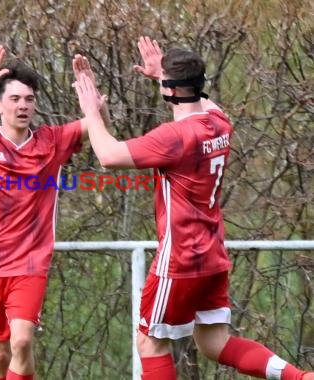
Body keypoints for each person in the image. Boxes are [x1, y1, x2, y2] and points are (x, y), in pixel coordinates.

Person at [73, 35, 313, 380]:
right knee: (214, 343)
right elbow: (201, 99)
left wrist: (92, 111)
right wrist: (162, 75)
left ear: (169, 89)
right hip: (213, 254)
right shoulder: (220, 123)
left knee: (151, 344)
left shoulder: (175, 136)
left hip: (180, 258)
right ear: (199, 85)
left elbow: (109, 156)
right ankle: (301, 377)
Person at [0, 45, 107, 380]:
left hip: (30, 262)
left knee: (22, 342)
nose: (23, 106)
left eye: (29, 99)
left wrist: (94, 100)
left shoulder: (52, 141)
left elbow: (98, 127)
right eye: (15, 99)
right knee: (0, 354)